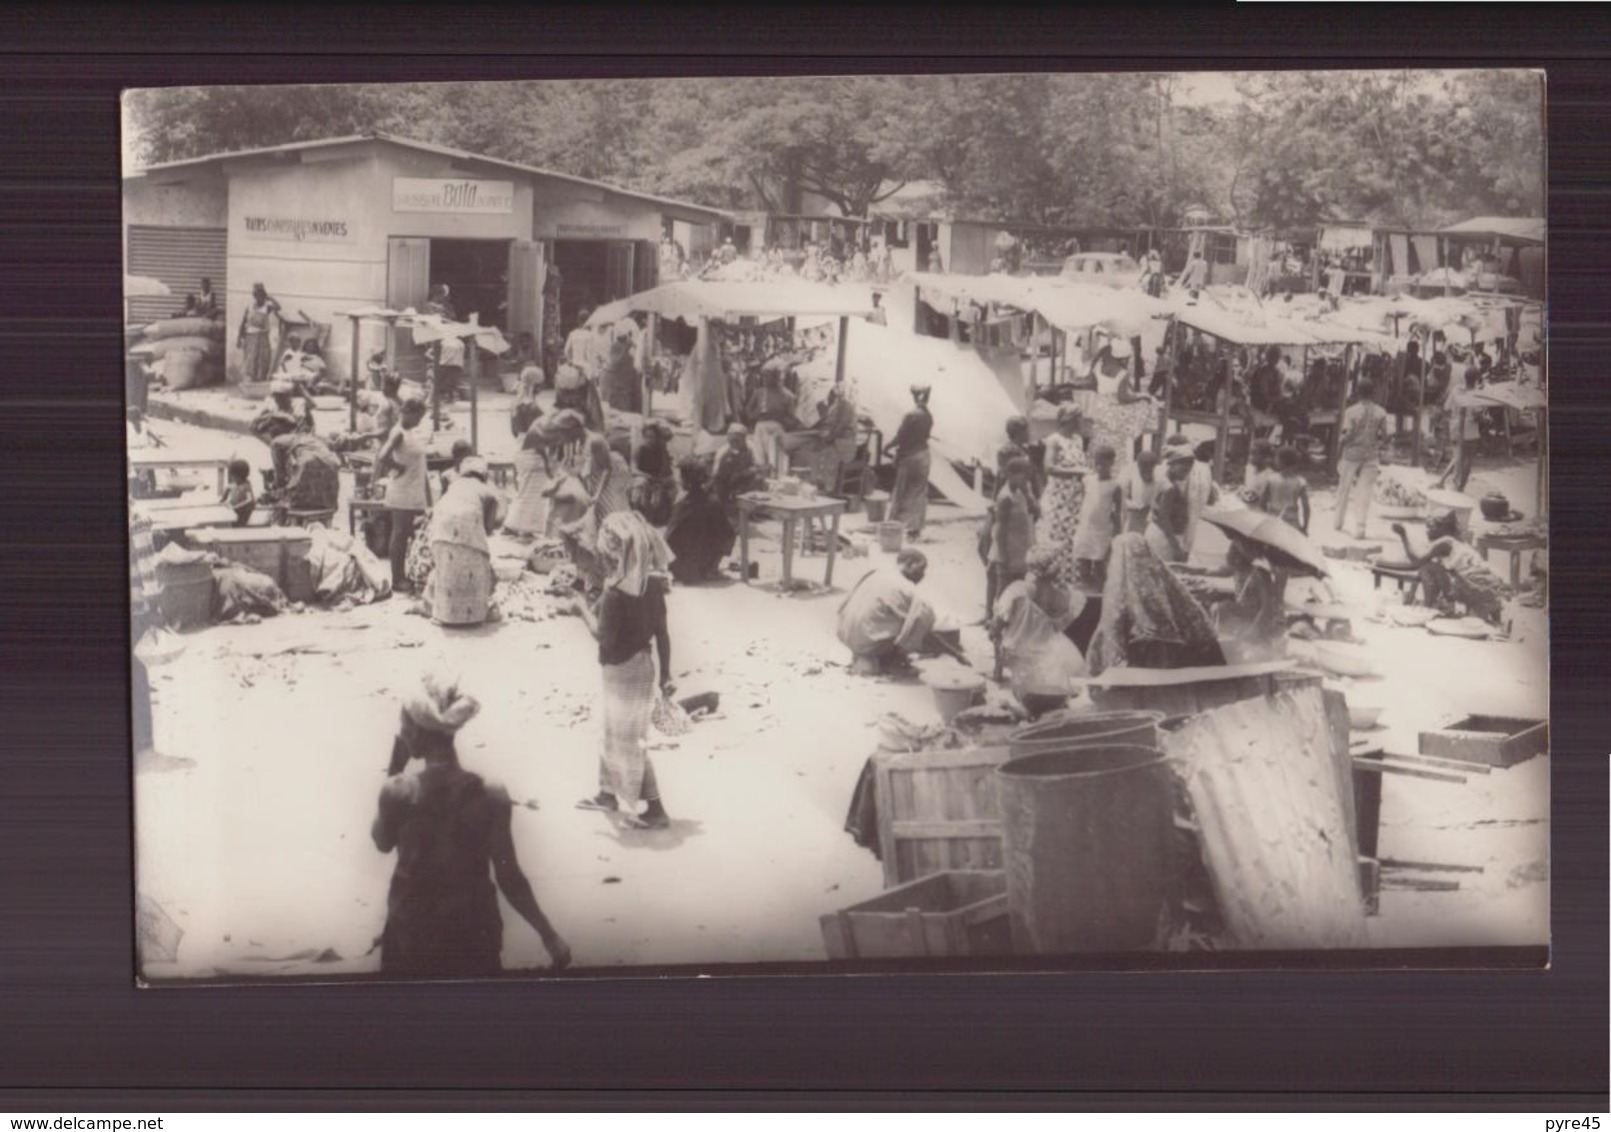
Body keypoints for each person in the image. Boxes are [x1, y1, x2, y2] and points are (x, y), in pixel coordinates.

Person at [373, 670, 571, 977]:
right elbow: (509, 875)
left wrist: (394, 769)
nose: (401, 732)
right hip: (473, 931)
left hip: (412, 933)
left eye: (404, 725)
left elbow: (382, 842)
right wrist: (549, 935)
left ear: (417, 733)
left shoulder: (399, 791)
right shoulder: (489, 792)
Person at [574, 510, 677, 831]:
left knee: (629, 740)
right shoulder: (653, 585)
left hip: (621, 672)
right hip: (643, 666)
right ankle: (607, 793)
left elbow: (603, 638)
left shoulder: (616, 593)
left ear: (613, 551)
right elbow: (662, 633)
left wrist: (579, 608)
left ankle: (656, 808)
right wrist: (667, 675)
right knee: (612, 731)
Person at [1085, 533, 1227, 677]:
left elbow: (1106, 650)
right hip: (1187, 674)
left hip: (1144, 675)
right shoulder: (1173, 593)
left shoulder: (1118, 602)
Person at [991, 544, 1089, 720]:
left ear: (1029, 566)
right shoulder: (1067, 596)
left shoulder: (1017, 590)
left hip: (1020, 658)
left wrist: (997, 668)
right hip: (1052, 659)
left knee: (1025, 703)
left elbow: (995, 629)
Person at [419, 457, 505, 627]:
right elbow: (489, 527)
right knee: (478, 567)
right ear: (484, 475)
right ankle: (473, 613)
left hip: (439, 528)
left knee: (444, 567)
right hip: (465, 528)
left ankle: (437, 608)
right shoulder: (488, 491)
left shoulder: (454, 485)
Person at [836, 548, 940, 677]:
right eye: (921, 568)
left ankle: (864, 655)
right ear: (908, 563)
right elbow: (924, 615)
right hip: (869, 643)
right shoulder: (905, 585)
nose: (922, 574)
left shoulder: (875, 573)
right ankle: (893, 662)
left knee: (892, 614)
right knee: (920, 615)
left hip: (846, 636)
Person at [1391, 517, 1511, 627]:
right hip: (1491, 588)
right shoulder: (1461, 542)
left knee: (1426, 568)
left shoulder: (1445, 541)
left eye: (1431, 526)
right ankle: (1493, 616)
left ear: (1444, 529)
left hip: (1474, 588)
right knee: (1488, 624)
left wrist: (1403, 535)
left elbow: (1416, 561)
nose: (1427, 530)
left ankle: (1429, 608)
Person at [376, 397, 432, 595]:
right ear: (407, 413)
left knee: (413, 534)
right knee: (400, 534)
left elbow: (421, 466)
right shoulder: (398, 432)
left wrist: (428, 498)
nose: (419, 421)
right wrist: (398, 468)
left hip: (414, 491)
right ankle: (397, 579)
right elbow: (383, 456)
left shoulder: (409, 432)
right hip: (401, 492)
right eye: (418, 417)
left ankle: (410, 573)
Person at [1036, 404, 1088, 593]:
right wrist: (1078, 472)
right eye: (1079, 418)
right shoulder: (1054, 440)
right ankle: (1051, 580)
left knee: (1073, 539)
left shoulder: (1078, 440)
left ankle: (1068, 583)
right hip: (1058, 498)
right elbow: (1049, 468)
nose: (1081, 422)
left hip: (1075, 500)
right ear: (1069, 420)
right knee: (1055, 536)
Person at [1215, 538, 1289, 663]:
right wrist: (1190, 570)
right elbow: (1218, 571)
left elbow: (1266, 607)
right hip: (1247, 614)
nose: (1234, 559)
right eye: (1233, 553)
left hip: (1261, 618)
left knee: (1256, 654)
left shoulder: (1259, 574)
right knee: (1221, 607)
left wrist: (1254, 629)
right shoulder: (1238, 570)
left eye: (1238, 555)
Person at [666, 456, 736, 585]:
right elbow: (727, 533)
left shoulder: (682, 503)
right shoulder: (712, 501)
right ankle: (711, 568)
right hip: (703, 561)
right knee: (730, 529)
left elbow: (669, 536)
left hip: (679, 565)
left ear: (684, 480)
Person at [1334, 378, 1390, 540]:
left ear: (1357, 392)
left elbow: (1346, 434)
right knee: (1365, 492)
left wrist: (1338, 452)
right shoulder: (1381, 412)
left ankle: (1338, 522)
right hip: (1371, 454)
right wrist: (1376, 444)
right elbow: (1385, 437)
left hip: (1351, 453)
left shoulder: (1351, 411)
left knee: (1344, 488)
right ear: (1373, 393)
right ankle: (1360, 527)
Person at [988, 456, 1038, 621]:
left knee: (1020, 588)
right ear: (1011, 474)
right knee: (1004, 589)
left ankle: (1014, 621)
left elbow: (1037, 512)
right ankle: (997, 622)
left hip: (1022, 548)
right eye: (1023, 476)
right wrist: (1002, 554)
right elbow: (1000, 528)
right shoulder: (1005, 498)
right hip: (1008, 550)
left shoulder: (1023, 491)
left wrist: (1029, 495)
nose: (1026, 480)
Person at [1070, 444, 1124, 591]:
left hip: (1102, 530)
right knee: (1083, 561)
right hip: (1086, 528)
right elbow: (1081, 503)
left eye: (1104, 463)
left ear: (1111, 463)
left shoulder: (1115, 486)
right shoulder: (1087, 480)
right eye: (1097, 463)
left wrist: (1117, 533)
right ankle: (1083, 596)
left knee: (1100, 564)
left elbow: (1117, 512)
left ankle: (1099, 597)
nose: (1100, 467)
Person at [888, 383, 935, 539]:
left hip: (909, 457)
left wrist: (886, 447)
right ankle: (914, 529)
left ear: (915, 397)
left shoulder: (911, 415)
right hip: (923, 455)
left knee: (901, 491)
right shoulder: (928, 416)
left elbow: (900, 437)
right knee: (918, 492)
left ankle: (894, 526)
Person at [1145, 445, 1196, 565]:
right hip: (1164, 537)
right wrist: (1176, 547)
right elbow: (1164, 519)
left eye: (1188, 470)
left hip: (1157, 532)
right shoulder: (1170, 488)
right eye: (1183, 470)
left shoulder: (1162, 480)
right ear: (1172, 465)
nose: (1186, 474)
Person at [745, 368, 800, 478]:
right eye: (764, 377)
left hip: (777, 429)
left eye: (770, 377)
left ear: (778, 379)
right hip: (760, 427)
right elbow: (748, 412)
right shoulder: (759, 393)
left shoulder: (788, 395)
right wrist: (758, 415)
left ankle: (778, 481)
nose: (766, 380)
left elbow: (793, 420)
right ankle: (761, 481)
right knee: (759, 457)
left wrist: (779, 417)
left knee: (777, 459)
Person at [712, 422, 765, 516]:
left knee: (758, 478)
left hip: (745, 479)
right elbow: (715, 474)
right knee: (718, 483)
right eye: (732, 440)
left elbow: (760, 466)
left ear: (744, 438)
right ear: (728, 438)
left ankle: (752, 510)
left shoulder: (751, 447)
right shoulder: (723, 451)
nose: (735, 443)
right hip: (727, 480)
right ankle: (725, 508)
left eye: (738, 440)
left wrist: (743, 473)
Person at [633, 419, 678, 527]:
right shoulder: (640, 449)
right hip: (644, 475)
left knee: (671, 487)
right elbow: (634, 469)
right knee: (640, 484)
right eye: (646, 437)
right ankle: (636, 514)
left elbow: (664, 468)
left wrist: (659, 480)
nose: (649, 440)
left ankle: (666, 515)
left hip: (658, 477)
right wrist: (647, 476)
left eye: (652, 437)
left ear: (657, 438)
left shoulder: (661, 449)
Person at [1181, 438, 1221, 558]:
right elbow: (1210, 497)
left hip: (1189, 507)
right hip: (1194, 508)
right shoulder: (1205, 469)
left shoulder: (1196, 467)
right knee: (1189, 534)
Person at [236, 283, 281, 385]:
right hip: (250, 337)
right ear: (254, 296)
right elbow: (243, 322)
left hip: (262, 337)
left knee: (263, 359)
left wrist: (270, 297)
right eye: (258, 295)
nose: (260, 297)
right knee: (251, 360)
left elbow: (278, 307)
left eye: (262, 295)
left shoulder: (267, 307)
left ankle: (261, 382)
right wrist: (239, 338)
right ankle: (251, 382)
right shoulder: (249, 306)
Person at [1261, 445, 1311, 533]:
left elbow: (1263, 501)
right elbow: (1306, 507)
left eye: (1276, 459)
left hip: (1273, 520)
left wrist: (1265, 516)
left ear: (1281, 461)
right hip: (1292, 522)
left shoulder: (1271, 479)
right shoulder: (1300, 481)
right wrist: (1305, 527)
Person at [1122, 450, 1160, 535]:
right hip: (1135, 516)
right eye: (1144, 470)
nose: (1147, 473)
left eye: (1149, 470)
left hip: (1153, 517)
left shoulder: (1159, 474)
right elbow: (1121, 498)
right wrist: (1132, 505)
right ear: (1138, 466)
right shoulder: (1128, 472)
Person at [432, 332, 467, 410]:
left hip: (444, 364)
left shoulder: (443, 342)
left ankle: (442, 399)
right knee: (451, 382)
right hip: (457, 364)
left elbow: (437, 353)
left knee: (442, 382)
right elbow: (463, 353)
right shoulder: (460, 343)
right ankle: (450, 398)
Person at [224, 459, 255, 527]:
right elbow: (228, 488)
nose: (232, 479)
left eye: (233, 476)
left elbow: (249, 499)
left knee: (240, 524)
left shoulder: (246, 486)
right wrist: (224, 499)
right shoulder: (236, 484)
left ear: (239, 476)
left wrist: (237, 506)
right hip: (236, 510)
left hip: (244, 510)